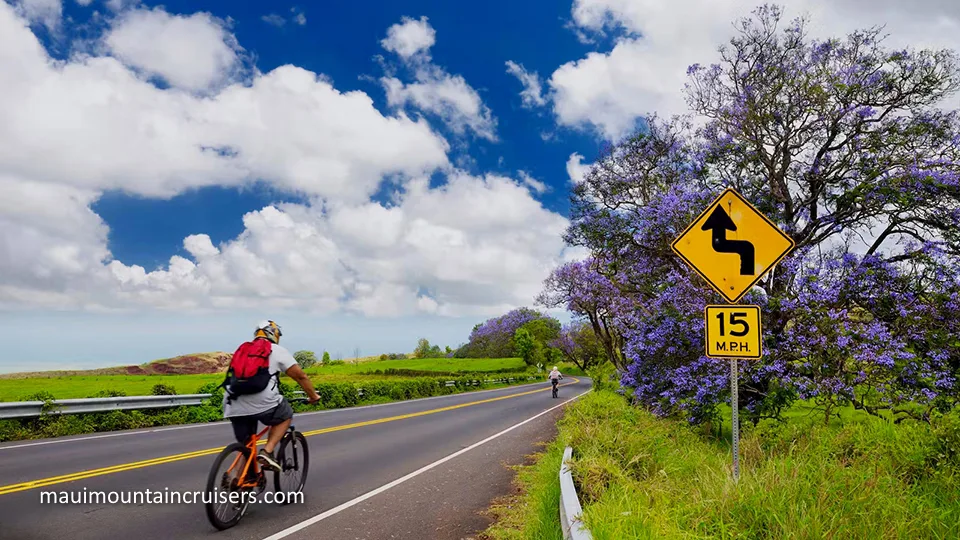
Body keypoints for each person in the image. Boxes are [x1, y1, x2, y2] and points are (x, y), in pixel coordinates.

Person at [222, 320, 321, 472]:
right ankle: (267, 451)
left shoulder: (242, 350)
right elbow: (300, 376)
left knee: (247, 446)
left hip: (233, 403)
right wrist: (313, 396)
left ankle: (238, 483)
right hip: (263, 402)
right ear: (274, 334)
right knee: (285, 414)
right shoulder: (276, 350)